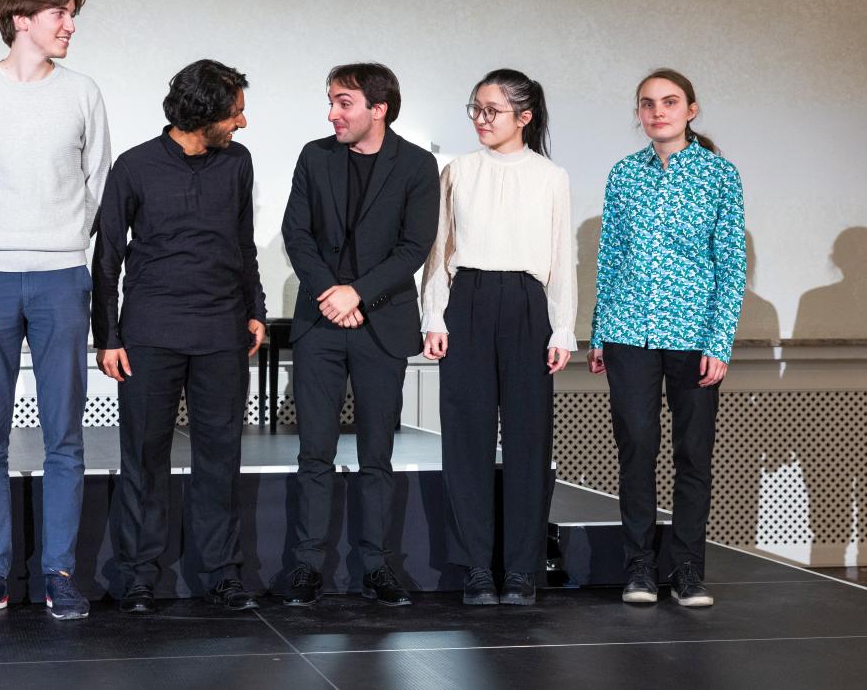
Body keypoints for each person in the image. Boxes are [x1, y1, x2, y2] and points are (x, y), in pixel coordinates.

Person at [0, 0, 111, 622]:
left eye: (72, 15)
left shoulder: (83, 93)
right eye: (59, 13)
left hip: (61, 276)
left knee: (64, 435)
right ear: (21, 18)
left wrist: (61, 244)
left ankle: (58, 572)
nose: (70, 25)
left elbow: (98, 186)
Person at [93, 59, 267, 613]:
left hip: (221, 330)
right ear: (204, 113)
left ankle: (222, 573)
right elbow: (107, 257)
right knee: (144, 459)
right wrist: (108, 336)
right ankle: (138, 576)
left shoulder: (237, 162)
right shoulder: (134, 166)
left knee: (221, 457)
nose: (242, 122)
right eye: (235, 113)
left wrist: (256, 309)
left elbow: (244, 243)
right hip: (150, 332)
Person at [280, 62, 440, 607]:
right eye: (331, 101)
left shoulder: (416, 165)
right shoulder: (314, 156)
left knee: (377, 454)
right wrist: (332, 293)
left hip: (382, 323)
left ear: (379, 108)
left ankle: (377, 564)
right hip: (320, 321)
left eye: (343, 102)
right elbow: (296, 234)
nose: (333, 113)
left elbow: (414, 247)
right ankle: (307, 565)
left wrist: (357, 294)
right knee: (314, 451)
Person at [588, 68, 745, 608]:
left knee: (693, 454)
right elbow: (610, 257)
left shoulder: (719, 174)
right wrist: (600, 332)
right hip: (628, 331)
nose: (658, 111)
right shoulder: (623, 174)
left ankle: (687, 570)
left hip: (694, 336)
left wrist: (719, 343)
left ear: (691, 110)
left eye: (670, 102)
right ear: (639, 113)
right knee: (637, 446)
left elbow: (730, 264)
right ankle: (639, 566)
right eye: (648, 103)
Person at [420, 69, 576, 606]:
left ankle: (521, 568)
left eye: (492, 110)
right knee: (467, 437)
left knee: (529, 438)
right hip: (467, 298)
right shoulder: (458, 171)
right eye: (476, 109)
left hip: (528, 303)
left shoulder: (550, 176)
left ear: (524, 117)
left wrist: (562, 327)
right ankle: (476, 567)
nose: (481, 119)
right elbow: (439, 249)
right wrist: (434, 316)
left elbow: (562, 257)